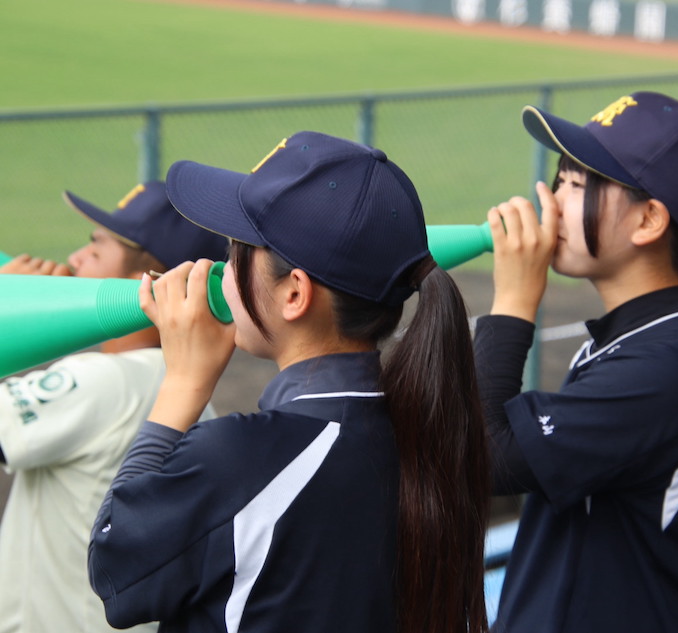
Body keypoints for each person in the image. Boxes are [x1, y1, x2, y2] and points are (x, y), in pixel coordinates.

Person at [87, 132, 491, 633]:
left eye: (237, 249)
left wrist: (184, 383)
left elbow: (115, 570)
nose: (220, 266)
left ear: (295, 293)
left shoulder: (241, 457)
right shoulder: (426, 425)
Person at [474, 91, 678, 632]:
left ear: (649, 221)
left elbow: (480, 457)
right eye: (560, 179)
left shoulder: (672, 364)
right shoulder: (640, 343)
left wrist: (514, 302)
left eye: (576, 185)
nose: (549, 198)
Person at [0, 180, 228, 633]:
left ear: (143, 285)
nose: (75, 260)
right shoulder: (190, 388)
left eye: (96, 249)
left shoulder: (104, 381)